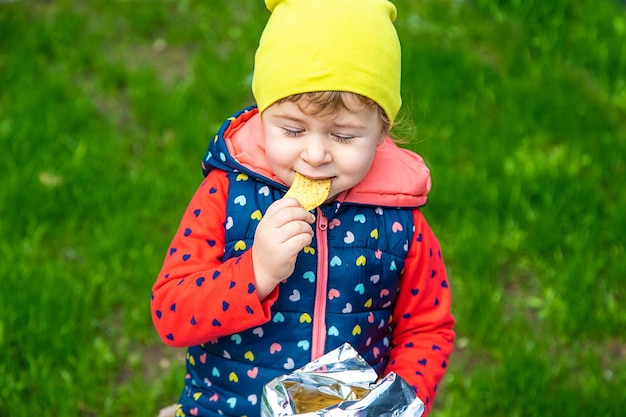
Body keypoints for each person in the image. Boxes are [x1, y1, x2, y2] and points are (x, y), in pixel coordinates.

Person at [151, 0, 455, 416]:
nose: (314, 155)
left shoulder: (401, 222)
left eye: (344, 136)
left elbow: (427, 328)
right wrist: (254, 271)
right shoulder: (226, 197)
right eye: (292, 129)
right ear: (262, 114)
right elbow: (171, 312)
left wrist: (397, 403)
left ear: (382, 130)